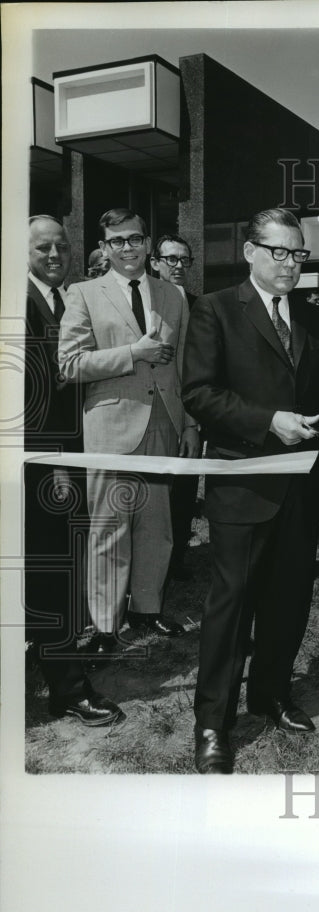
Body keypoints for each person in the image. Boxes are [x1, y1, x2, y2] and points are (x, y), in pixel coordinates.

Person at [181, 208, 319, 775]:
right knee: (231, 610)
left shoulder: (311, 315)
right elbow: (200, 393)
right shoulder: (215, 309)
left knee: (288, 601)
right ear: (250, 251)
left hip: (303, 487)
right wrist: (269, 422)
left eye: (299, 254)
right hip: (243, 486)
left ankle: (270, 695)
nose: (291, 264)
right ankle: (213, 723)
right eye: (280, 252)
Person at [58, 208, 199, 655]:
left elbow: (186, 366)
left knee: (157, 528)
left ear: (147, 243)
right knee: (109, 529)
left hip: (165, 422)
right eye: (116, 241)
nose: (127, 248)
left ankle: (147, 609)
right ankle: (104, 627)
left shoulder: (173, 295)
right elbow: (70, 364)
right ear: (104, 247)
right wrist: (132, 352)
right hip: (111, 427)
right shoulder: (83, 293)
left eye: (135, 239)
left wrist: (192, 423)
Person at [25, 215, 123, 725]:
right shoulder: (20, 304)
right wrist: (56, 465)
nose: (56, 254)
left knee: (62, 568)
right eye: (44, 247)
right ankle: (67, 688)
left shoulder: (69, 301)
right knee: (53, 575)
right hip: (42, 465)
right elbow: (27, 399)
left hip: (76, 455)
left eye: (63, 245)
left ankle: (48, 655)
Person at [151, 234, 200, 580]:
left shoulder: (202, 305)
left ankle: (177, 558)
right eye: (171, 259)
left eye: (185, 259)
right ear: (155, 262)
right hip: (153, 415)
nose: (179, 266)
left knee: (184, 490)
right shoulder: (145, 303)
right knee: (154, 495)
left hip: (190, 413)